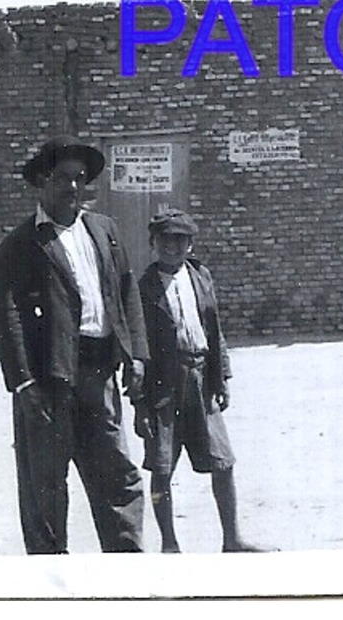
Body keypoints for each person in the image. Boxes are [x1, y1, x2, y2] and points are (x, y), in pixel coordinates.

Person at [0, 135, 149, 554]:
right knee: (45, 485)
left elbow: (126, 291)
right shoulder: (22, 244)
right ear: (42, 183)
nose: (74, 188)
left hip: (100, 374)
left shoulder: (104, 230)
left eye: (80, 179)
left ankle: (127, 573)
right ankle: (52, 581)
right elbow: (8, 317)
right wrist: (24, 385)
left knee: (118, 475)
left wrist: (135, 354)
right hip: (49, 381)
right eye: (63, 179)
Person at [136, 208, 264, 553]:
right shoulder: (143, 288)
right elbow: (138, 349)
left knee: (223, 462)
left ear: (190, 245)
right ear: (153, 243)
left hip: (200, 379)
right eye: (165, 240)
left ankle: (232, 539)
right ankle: (170, 544)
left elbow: (214, 328)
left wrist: (221, 375)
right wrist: (140, 405)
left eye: (180, 241)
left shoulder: (201, 276)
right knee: (162, 466)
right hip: (164, 386)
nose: (173, 248)